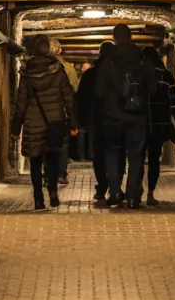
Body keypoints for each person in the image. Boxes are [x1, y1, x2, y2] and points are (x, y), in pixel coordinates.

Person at [11, 35, 79, 210]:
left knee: (35, 161)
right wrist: (73, 124)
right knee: (53, 157)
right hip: (54, 120)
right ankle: (53, 192)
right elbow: (68, 98)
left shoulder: (27, 73)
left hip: (33, 121)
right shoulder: (58, 70)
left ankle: (38, 198)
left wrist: (16, 128)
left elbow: (21, 103)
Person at [95, 24, 158, 209]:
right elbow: (153, 89)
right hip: (137, 117)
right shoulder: (143, 61)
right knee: (136, 156)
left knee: (113, 153)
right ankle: (132, 196)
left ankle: (114, 191)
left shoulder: (109, 62)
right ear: (131, 37)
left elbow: (99, 91)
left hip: (113, 116)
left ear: (114, 37)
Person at [76, 41, 126, 202]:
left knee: (99, 156)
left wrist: (81, 121)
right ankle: (116, 186)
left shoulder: (90, 74)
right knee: (118, 153)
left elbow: (81, 99)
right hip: (117, 119)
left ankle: (102, 186)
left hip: (96, 121)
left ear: (99, 53)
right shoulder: (121, 71)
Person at [141, 46, 175, 206]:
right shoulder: (166, 76)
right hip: (159, 125)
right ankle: (150, 194)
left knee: (137, 158)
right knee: (154, 159)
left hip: (139, 124)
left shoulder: (137, 75)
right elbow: (174, 102)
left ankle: (136, 191)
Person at [49, 37, 78, 185]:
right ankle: (61, 174)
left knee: (45, 143)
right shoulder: (68, 68)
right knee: (63, 144)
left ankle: (48, 175)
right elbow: (74, 90)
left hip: (43, 112)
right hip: (62, 112)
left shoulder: (36, 66)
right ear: (60, 50)